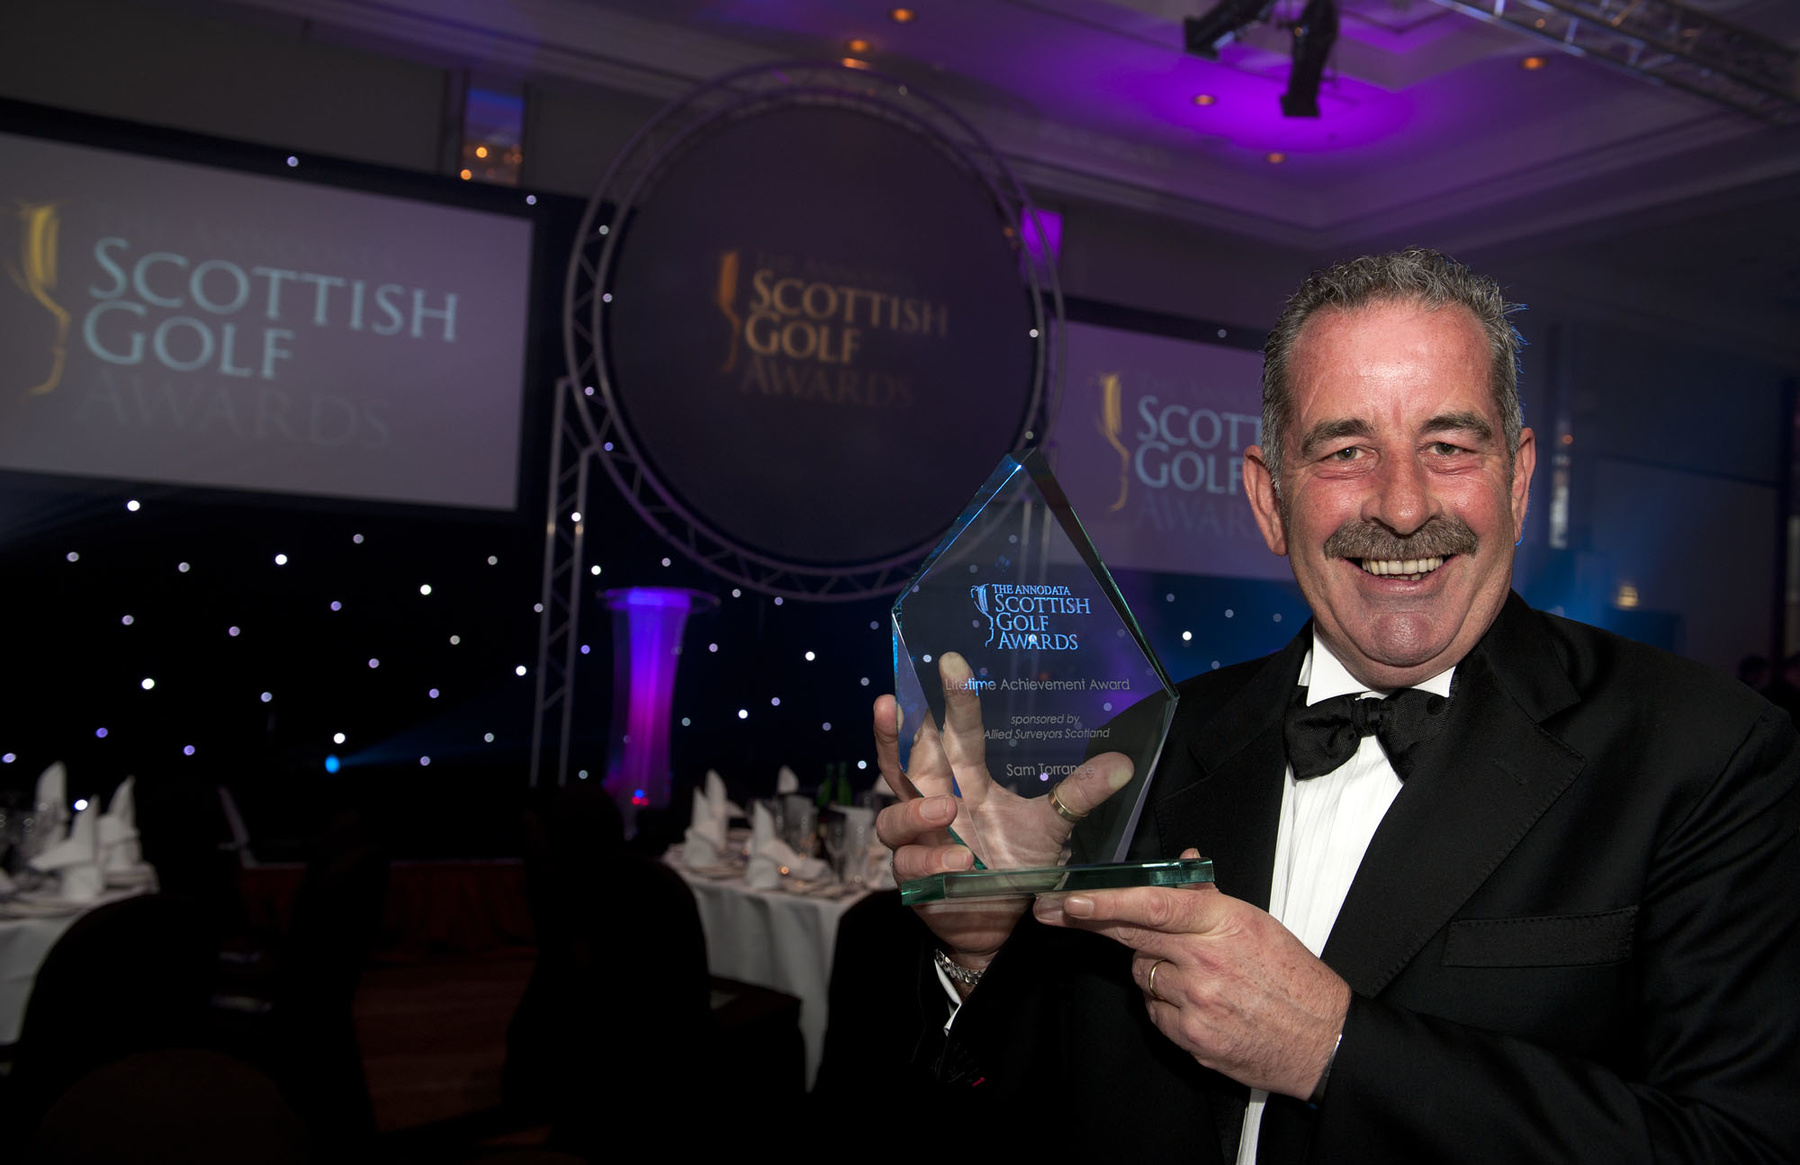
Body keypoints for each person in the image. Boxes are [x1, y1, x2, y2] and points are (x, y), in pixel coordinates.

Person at [873, 248, 1800, 1162]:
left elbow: (1737, 1144)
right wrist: (983, 947)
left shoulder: (1707, 754)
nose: (1401, 506)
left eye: (1447, 444)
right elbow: (1051, 1109)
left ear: (1517, 481)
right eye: (1346, 450)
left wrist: (1334, 1049)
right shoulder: (1144, 745)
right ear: (1270, 499)